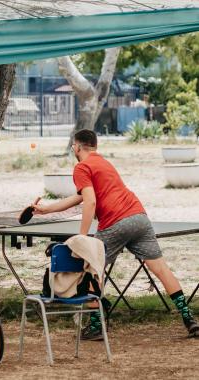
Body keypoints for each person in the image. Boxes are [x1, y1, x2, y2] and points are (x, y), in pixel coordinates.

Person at [33, 129, 199, 340]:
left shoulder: (81, 167)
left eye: (74, 146)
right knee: (161, 269)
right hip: (139, 216)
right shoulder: (103, 163)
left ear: (77, 147)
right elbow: (80, 198)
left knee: (91, 268)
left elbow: (91, 202)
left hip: (115, 222)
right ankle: (189, 319)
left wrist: (82, 238)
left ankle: (96, 324)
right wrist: (45, 210)